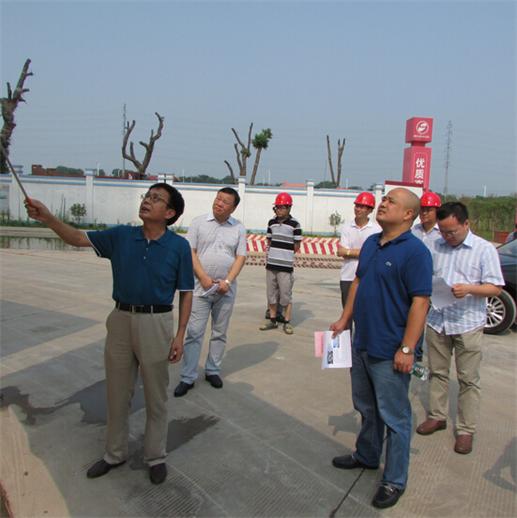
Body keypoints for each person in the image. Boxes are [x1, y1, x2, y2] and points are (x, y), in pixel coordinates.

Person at [25, 183, 194, 485]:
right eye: (147, 196)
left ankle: (155, 456)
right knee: (117, 392)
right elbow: (78, 238)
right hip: (120, 320)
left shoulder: (178, 246)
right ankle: (114, 454)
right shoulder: (121, 236)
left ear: (169, 213)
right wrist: (48, 217)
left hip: (156, 322)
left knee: (156, 394)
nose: (147, 201)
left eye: (156, 199)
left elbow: (186, 292)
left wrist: (180, 335)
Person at [330, 188, 432, 510]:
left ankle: (394, 479)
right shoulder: (372, 243)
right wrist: (345, 319)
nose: (383, 204)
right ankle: (367, 455)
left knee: (395, 417)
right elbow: (358, 282)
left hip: (390, 350)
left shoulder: (416, 252)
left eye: (391, 201)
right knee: (366, 406)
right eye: (384, 200)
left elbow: (420, 302)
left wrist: (407, 348)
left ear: (408, 214)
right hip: (362, 342)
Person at [416, 202, 504, 455]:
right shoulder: (435, 246)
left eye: (452, 231)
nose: (447, 236)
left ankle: (466, 429)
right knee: (437, 373)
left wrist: (469, 289)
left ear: (466, 224)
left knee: (468, 379)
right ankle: (437, 416)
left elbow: (495, 287)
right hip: (438, 320)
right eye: (443, 231)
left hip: (467, 323)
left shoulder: (484, 249)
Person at [174, 187, 246, 397]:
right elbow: (191, 252)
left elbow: (241, 257)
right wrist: (204, 278)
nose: (219, 203)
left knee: (219, 332)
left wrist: (228, 281)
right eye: (218, 198)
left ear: (233, 208)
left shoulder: (239, 228)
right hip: (199, 288)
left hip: (226, 290)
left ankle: (213, 370)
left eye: (225, 201)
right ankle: (188, 377)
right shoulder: (198, 223)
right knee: (194, 332)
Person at [259, 192, 302, 335]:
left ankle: (287, 322)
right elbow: (269, 241)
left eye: (281, 207)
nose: (278, 210)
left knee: (285, 295)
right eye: (276, 207)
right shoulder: (271, 222)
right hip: (271, 265)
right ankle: (272, 319)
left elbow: (297, 245)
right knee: (271, 294)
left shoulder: (295, 224)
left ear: (289, 208)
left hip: (285, 267)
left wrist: (284, 255)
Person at [411, 191, 442, 360]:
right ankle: (413, 352)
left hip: (434, 284)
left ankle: (418, 355)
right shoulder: (413, 230)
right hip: (412, 282)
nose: (424, 213)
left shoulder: (442, 233)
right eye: (422, 209)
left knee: (427, 321)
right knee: (413, 318)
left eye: (428, 210)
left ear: (437, 211)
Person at [337, 191, 380, 308]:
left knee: (365, 312)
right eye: (357, 206)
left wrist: (349, 252)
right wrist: (364, 252)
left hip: (368, 277)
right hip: (347, 276)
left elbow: (375, 253)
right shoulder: (346, 227)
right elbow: (341, 252)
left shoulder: (376, 230)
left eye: (362, 207)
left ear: (370, 210)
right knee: (347, 312)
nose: (358, 209)